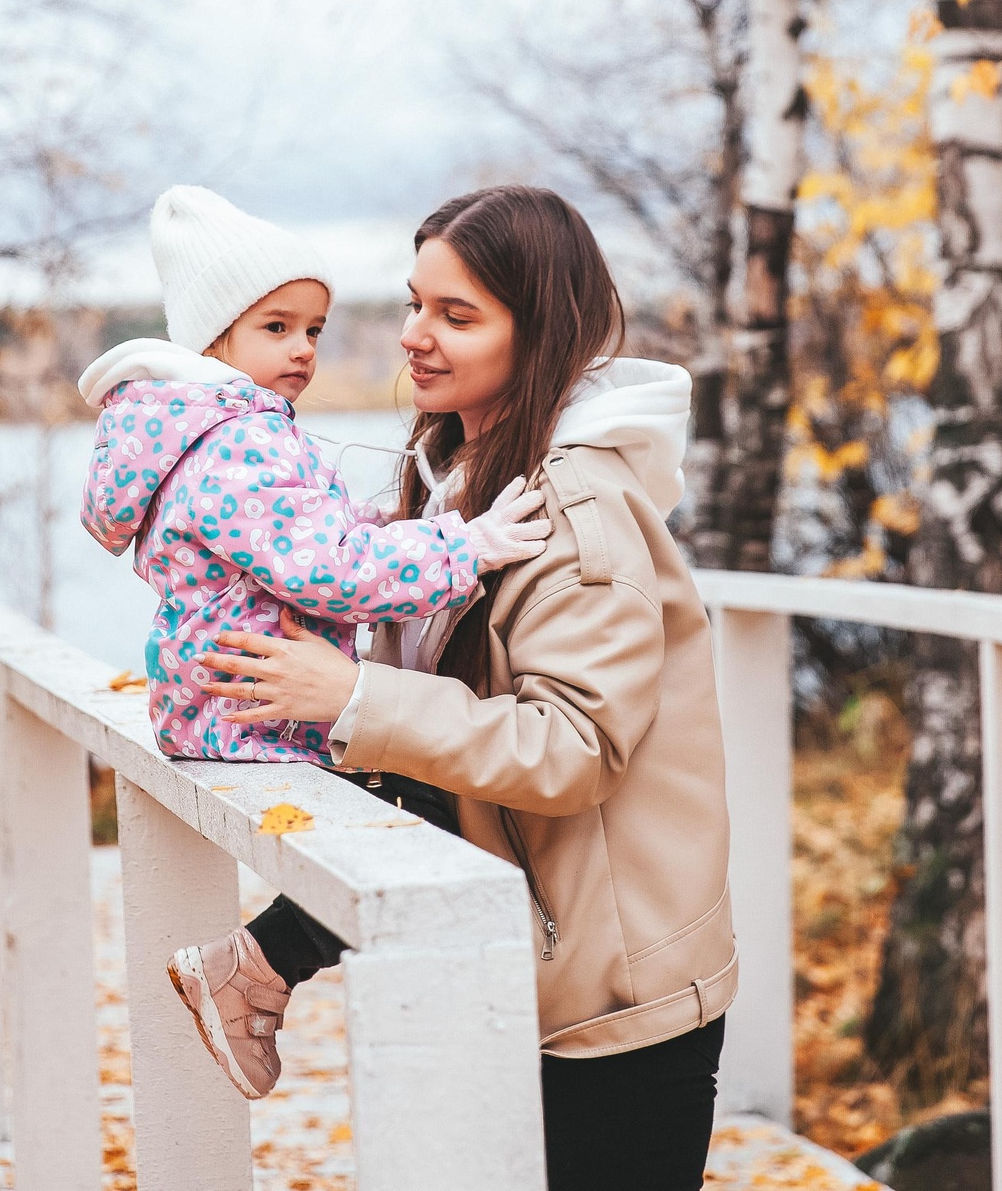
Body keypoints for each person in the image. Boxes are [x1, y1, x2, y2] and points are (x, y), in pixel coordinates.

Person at [190, 185, 738, 1191]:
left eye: (456, 314)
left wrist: (354, 697)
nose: (414, 335)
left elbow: (574, 749)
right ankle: (262, 962)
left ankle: (262, 962)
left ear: (540, 334)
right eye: (414, 303)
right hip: (507, 956)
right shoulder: (459, 479)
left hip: (612, 998)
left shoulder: (577, 514)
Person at [75, 186, 553, 1092]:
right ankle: (254, 971)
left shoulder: (203, 433)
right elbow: (324, 570)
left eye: (314, 329)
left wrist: (387, 529)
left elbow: (297, 541)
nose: (302, 349)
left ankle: (259, 972)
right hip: (256, 708)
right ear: (213, 339)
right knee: (430, 804)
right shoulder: (239, 443)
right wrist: (468, 545)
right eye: (276, 327)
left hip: (221, 702)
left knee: (425, 797)